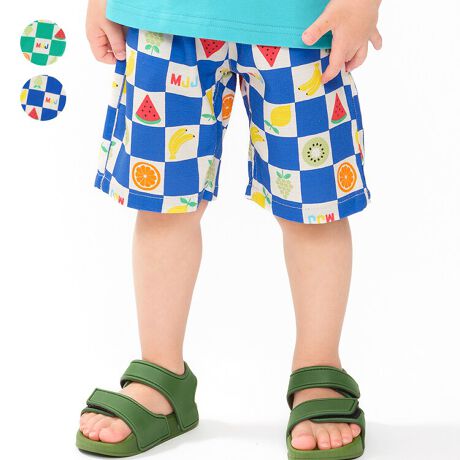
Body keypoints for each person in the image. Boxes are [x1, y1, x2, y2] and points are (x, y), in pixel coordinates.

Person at [76, 0, 382, 458]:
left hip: (303, 21)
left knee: (314, 207)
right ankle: (160, 372)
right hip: (164, 17)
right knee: (162, 204)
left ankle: (319, 367)